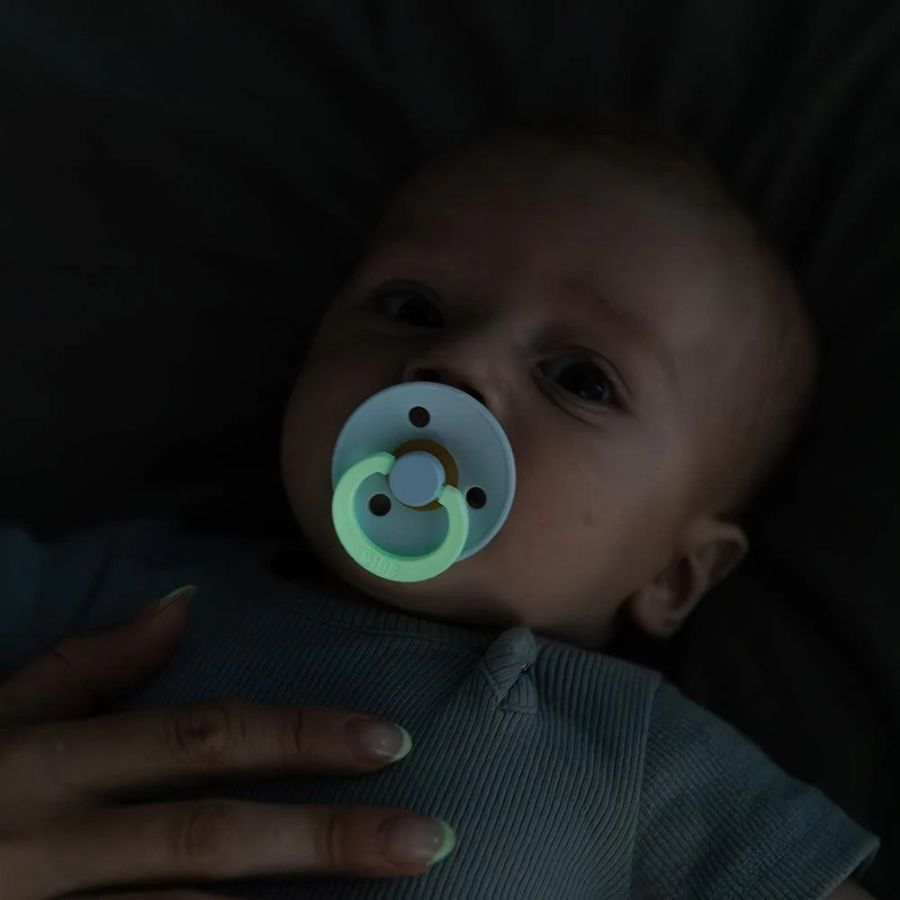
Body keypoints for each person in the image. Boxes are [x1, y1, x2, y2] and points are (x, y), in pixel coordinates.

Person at [0, 129, 881, 899]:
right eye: (412, 308)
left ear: (675, 576)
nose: (458, 363)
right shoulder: (131, 596)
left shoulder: (641, 754)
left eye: (580, 379)